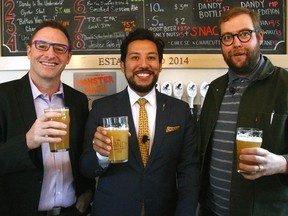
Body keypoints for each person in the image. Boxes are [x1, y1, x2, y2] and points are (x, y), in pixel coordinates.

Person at [80, 28, 200, 216]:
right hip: (112, 210)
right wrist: (101, 156)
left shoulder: (181, 111)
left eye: (151, 58)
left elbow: (189, 171)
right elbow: (86, 168)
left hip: (164, 210)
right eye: (135, 57)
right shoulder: (101, 108)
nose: (143, 65)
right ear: (122, 65)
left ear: (160, 65)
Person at [198, 7, 288, 216]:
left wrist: (281, 164)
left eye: (244, 34)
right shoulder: (214, 89)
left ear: (260, 37)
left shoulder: (284, 85)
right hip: (211, 210)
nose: (236, 43)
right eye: (227, 37)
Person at [0, 20, 94, 216]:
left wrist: (86, 196)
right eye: (42, 46)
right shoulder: (3, 97)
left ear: (68, 57)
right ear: (29, 51)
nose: (50, 54)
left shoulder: (78, 100)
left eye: (59, 49)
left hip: (71, 211)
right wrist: (27, 141)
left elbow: (83, 155)